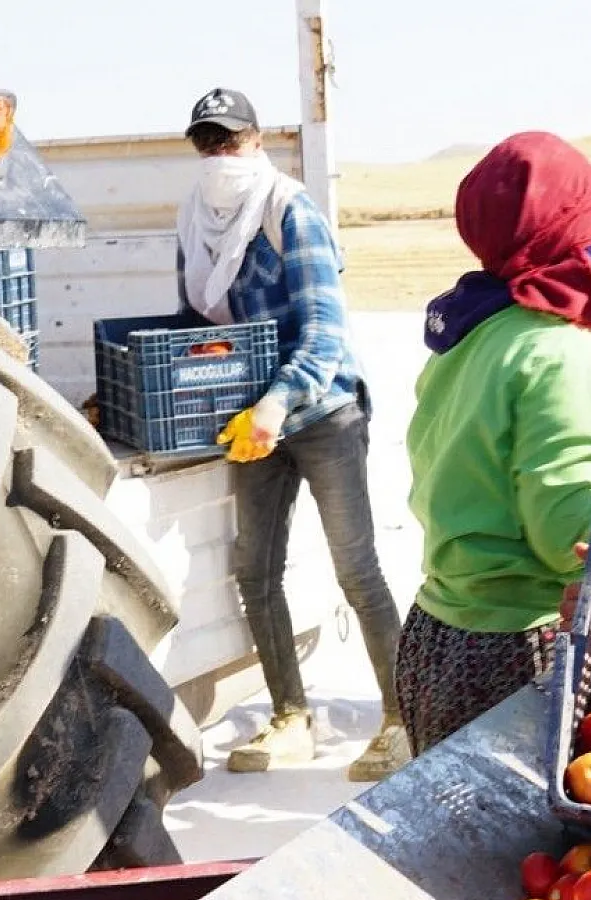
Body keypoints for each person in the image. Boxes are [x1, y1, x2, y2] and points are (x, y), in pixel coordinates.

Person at [399, 131, 591, 756]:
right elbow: (573, 536)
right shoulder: (560, 350)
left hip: (437, 636)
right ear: (571, 244)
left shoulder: (473, 331)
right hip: (515, 654)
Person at [173, 86, 407, 782]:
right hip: (251, 422)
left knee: (356, 568)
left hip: (323, 411)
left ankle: (401, 718)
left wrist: (278, 401)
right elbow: (195, 325)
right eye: (207, 143)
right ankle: (291, 717)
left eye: (231, 140)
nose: (220, 155)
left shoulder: (288, 212)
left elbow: (325, 333)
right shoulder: (193, 220)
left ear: (256, 139)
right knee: (254, 570)